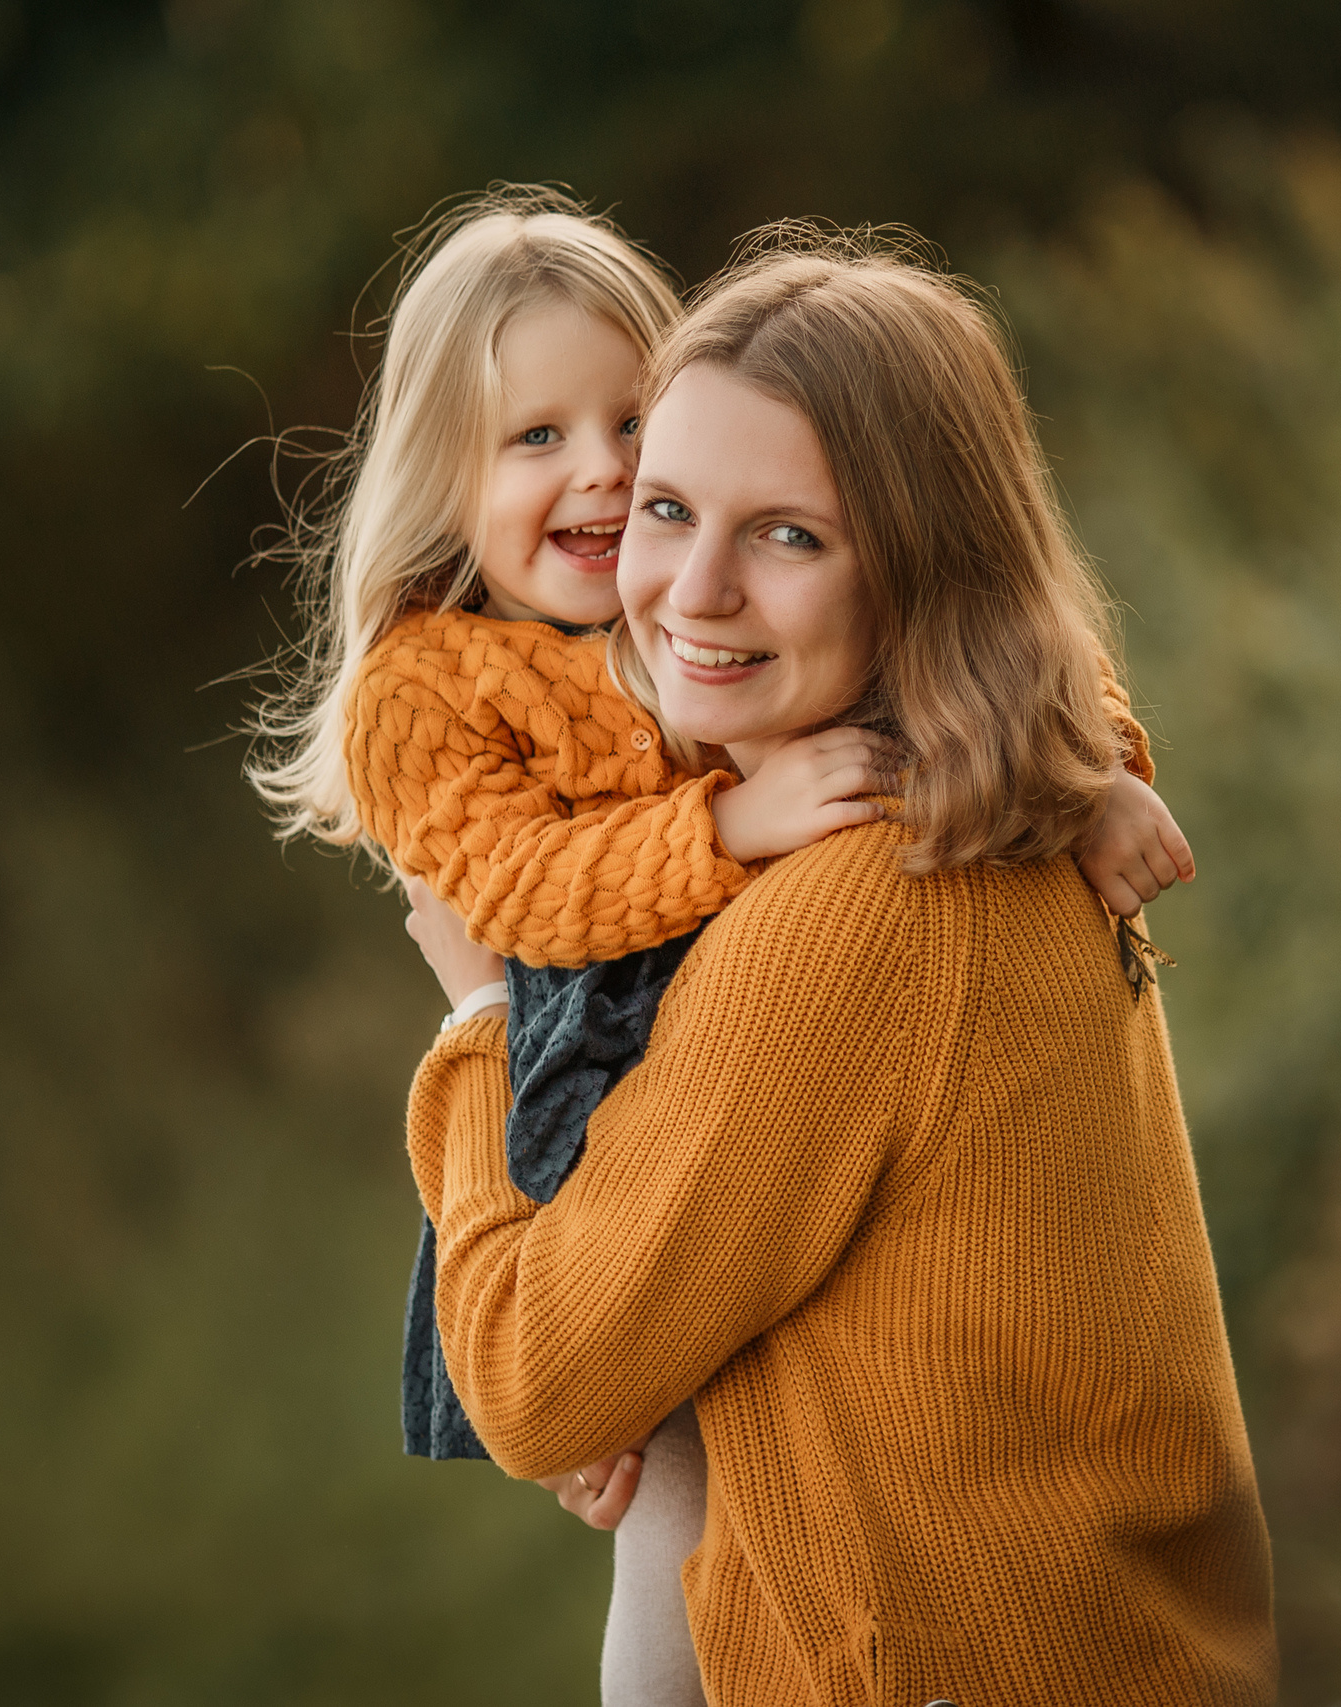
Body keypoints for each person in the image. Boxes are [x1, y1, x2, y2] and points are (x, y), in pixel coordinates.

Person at [248, 188, 1200, 1704]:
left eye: (634, 431)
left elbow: (1030, 668)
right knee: (659, 1493)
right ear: (445, 478)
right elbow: (517, 891)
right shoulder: (440, 683)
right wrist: (694, 858)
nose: (610, 481)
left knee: (650, 1462)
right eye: (542, 439)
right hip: (582, 1056)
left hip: (697, 1017)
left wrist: (1097, 778)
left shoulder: (854, 880)